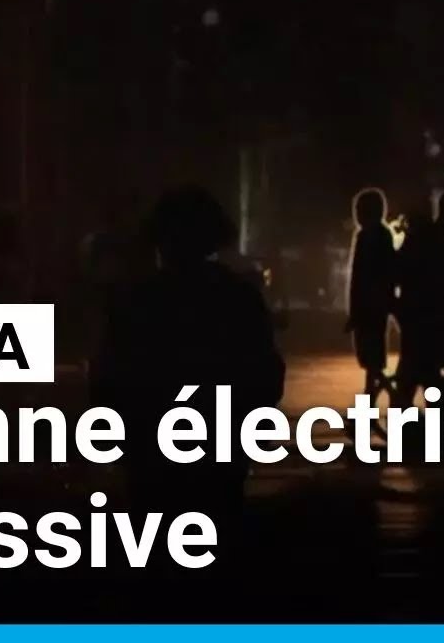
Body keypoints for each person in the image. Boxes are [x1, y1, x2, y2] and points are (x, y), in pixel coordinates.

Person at [91, 184, 284, 615]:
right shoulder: (238, 298)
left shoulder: (137, 300)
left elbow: (108, 376)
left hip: (152, 449)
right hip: (219, 446)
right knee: (217, 560)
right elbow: (265, 373)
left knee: (155, 562)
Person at [395, 191, 444, 409]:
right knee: (426, 368)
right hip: (430, 313)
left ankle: (403, 410)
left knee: (412, 367)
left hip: (414, 309)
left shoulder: (422, 234)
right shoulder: (442, 238)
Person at [346, 188, 397, 399]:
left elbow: (359, 277)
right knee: (372, 359)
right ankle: (372, 396)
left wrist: (355, 310)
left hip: (368, 305)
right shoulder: (382, 235)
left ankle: (384, 396)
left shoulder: (367, 237)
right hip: (377, 304)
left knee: (370, 358)